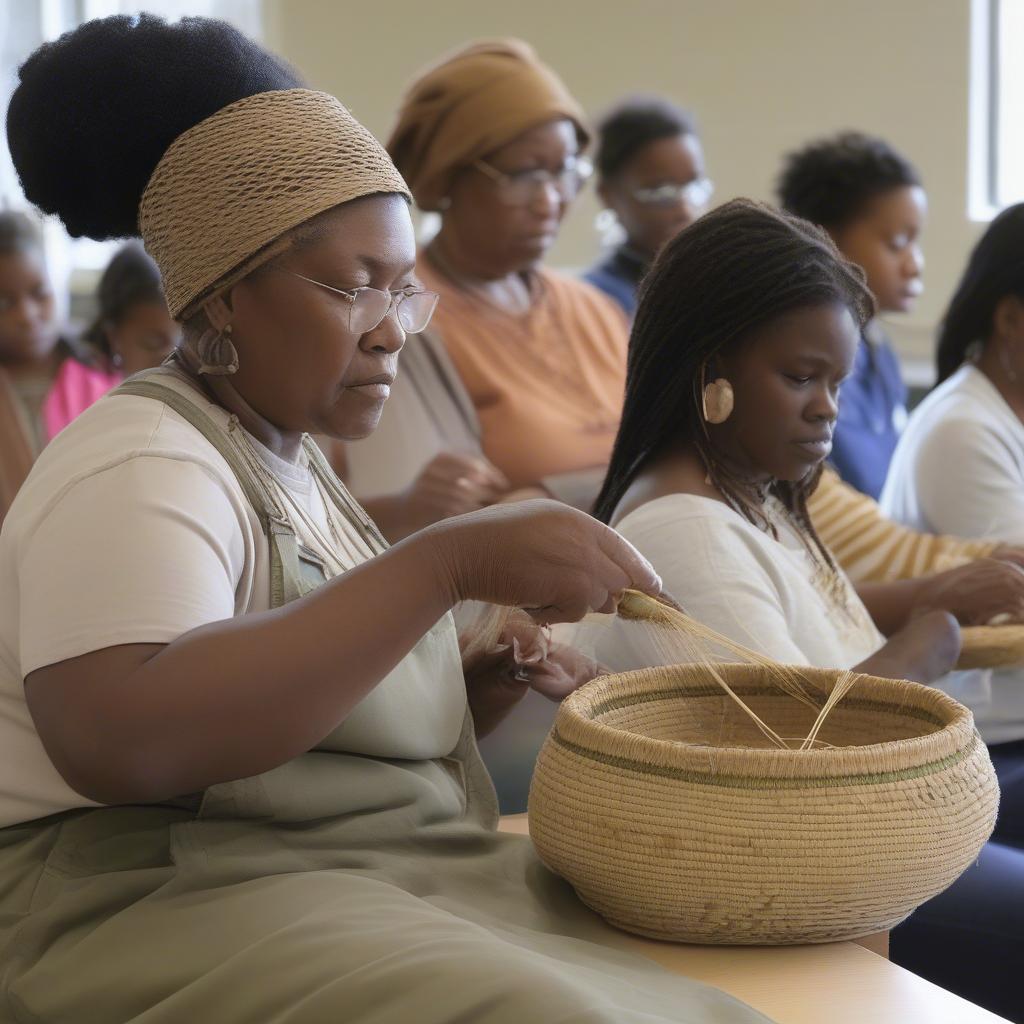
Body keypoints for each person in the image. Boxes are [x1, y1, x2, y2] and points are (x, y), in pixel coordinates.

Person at [0, 16, 774, 1024]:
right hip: (144, 898)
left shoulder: (293, 463)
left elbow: (293, 715)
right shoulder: (144, 460)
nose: (389, 332)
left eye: (406, 292)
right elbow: (118, 735)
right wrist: (444, 563)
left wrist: (470, 683)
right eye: (354, 285)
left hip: (345, 873)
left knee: (701, 965)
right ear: (228, 297)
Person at [588, 198, 1024, 1024]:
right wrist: (926, 647)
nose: (827, 406)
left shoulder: (754, 491)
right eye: (799, 378)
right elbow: (802, 758)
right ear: (709, 371)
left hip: (867, 855)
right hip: (799, 889)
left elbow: (808, 642)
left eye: (837, 382)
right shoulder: (686, 528)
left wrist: (927, 613)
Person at [335, 40, 631, 541]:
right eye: (524, 175)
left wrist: (549, 495)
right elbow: (420, 524)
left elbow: (680, 456)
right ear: (450, 177)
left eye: (565, 171)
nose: (551, 200)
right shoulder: (399, 321)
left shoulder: (597, 310)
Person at [777, 132, 925, 499]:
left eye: (915, 241)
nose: (915, 263)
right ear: (825, 239)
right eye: (896, 243)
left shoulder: (878, 349)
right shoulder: (800, 358)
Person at [584, 96, 712, 316]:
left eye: (693, 187)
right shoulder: (596, 302)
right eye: (660, 191)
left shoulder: (721, 283)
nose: (685, 208)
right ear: (608, 196)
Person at [42, 241, 179, 439]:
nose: (173, 358)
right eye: (153, 343)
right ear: (114, 336)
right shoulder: (80, 396)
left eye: (183, 343)